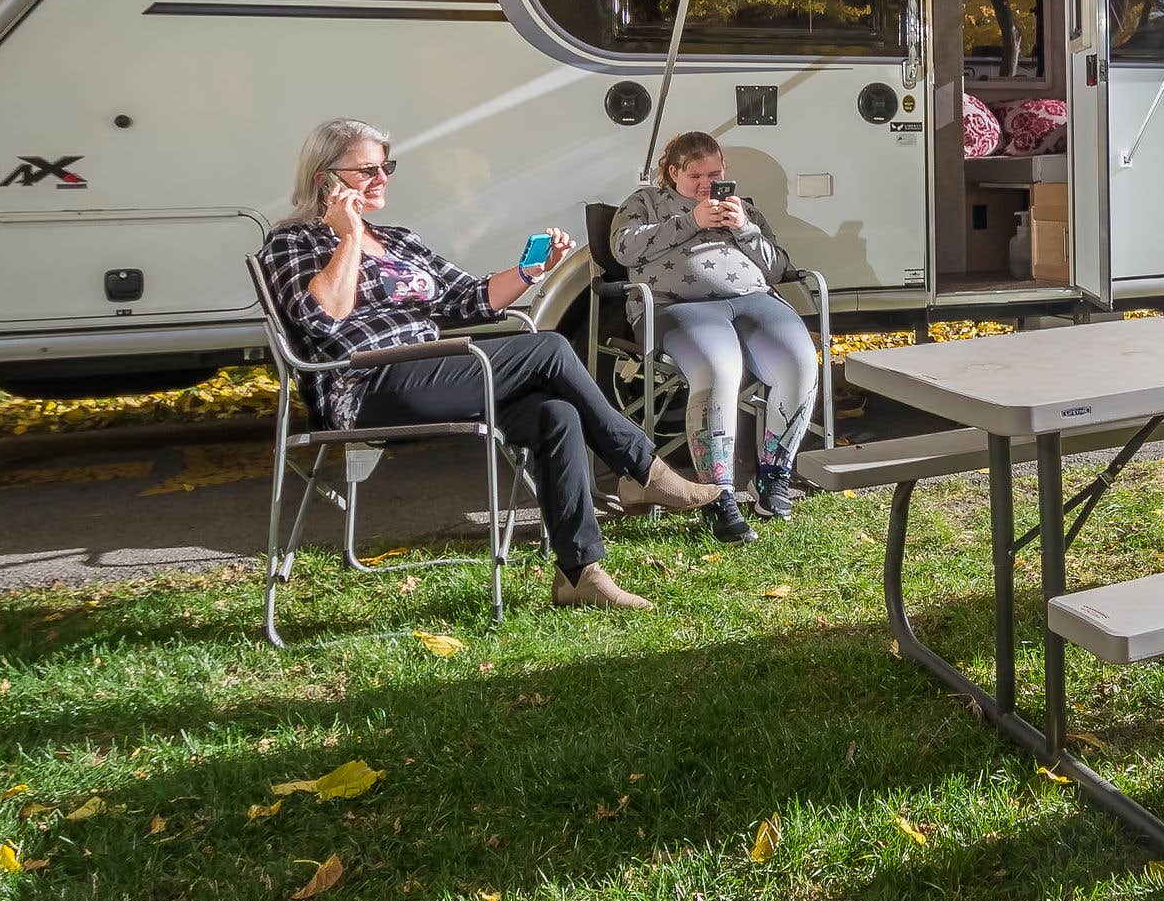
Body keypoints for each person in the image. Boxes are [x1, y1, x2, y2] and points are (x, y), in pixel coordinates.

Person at [258, 117, 718, 612]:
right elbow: (324, 317)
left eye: (385, 167)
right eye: (365, 170)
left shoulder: (399, 240)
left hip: (427, 372)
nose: (381, 179)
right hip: (363, 387)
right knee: (549, 349)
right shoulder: (292, 243)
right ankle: (643, 468)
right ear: (323, 179)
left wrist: (528, 272)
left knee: (554, 416)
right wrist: (347, 237)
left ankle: (578, 573)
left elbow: (472, 298)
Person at [610, 132, 822, 543]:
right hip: (679, 306)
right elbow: (623, 249)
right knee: (719, 370)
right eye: (696, 176)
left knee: (799, 362)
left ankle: (773, 477)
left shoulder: (742, 209)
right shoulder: (645, 203)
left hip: (752, 299)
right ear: (673, 173)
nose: (708, 185)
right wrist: (691, 222)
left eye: (716, 173)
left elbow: (778, 267)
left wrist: (744, 229)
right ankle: (717, 496)